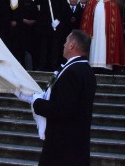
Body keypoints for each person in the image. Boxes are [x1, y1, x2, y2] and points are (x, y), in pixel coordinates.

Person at [24, 30, 96, 166]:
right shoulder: (85, 70)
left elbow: (62, 109)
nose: (63, 44)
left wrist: (37, 102)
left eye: (66, 41)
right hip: (75, 146)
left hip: (63, 149)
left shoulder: (73, 72)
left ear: (72, 45)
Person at [80, 0, 125, 71]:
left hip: (107, 29)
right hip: (94, 28)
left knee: (105, 43)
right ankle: (93, 63)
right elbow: (87, 16)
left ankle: (106, 65)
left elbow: (115, 17)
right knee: (94, 42)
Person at [34, 0, 71, 70]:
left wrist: (58, 20)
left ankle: (53, 67)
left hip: (55, 23)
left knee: (55, 46)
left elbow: (64, 7)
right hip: (44, 23)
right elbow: (36, 2)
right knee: (44, 46)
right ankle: (42, 67)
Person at [9, 0, 38, 70]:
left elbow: (36, 14)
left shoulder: (32, 3)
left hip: (31, 30)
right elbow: (15, 15)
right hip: (20, 30)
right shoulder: (17, 3)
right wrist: (23, 20)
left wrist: (33, 21)